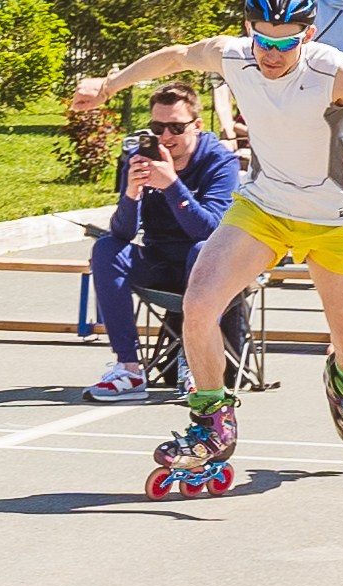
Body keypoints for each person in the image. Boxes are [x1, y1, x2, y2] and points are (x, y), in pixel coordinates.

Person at [71, 0, 343, 496]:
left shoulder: (331, 70)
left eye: (285, 42)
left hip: (331, 220)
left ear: (306, 34)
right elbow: (175, 56)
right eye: (263, 38)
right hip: (263, 208)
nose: (272, 53)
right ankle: (212, 421)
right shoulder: (233, 55)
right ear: (247, 28)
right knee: (199, 304)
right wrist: (110, 84)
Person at [83, 82, 241, 402]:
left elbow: (209, 230)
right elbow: (123, 233)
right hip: (159, 259)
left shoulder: (220, 163)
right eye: (158, 127)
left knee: (201, 251)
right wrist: (131, 194)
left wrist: (172, 186)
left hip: (211, 265)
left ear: (196, 125)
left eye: (176, 127)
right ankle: (129, 368)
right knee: (106, 249)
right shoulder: (141, 157)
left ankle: (196, 367)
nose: (166, 136)